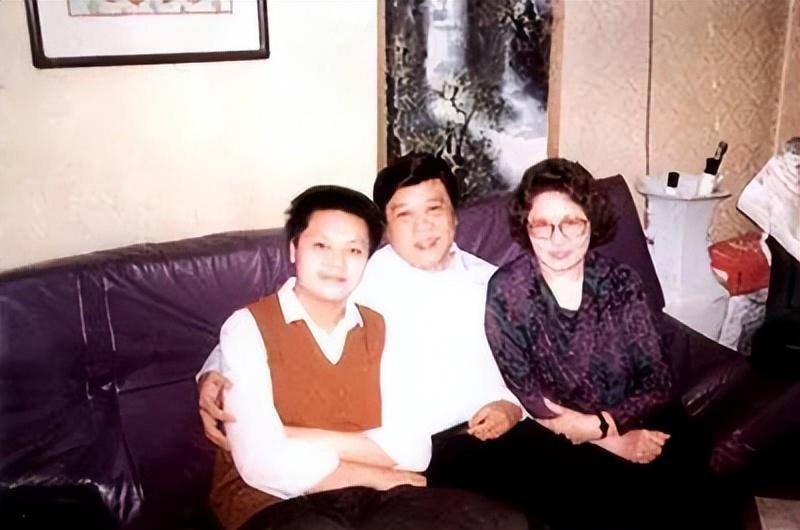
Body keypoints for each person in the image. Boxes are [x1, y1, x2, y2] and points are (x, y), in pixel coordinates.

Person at [209, 185, 523, 530]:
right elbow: (260, 461)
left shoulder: (379, 326)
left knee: (502, 523)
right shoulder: (247, 327)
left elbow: (413, 448)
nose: (337, 262)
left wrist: (288, 435)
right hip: (270, 498)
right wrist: (379, 476)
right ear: (293, 248)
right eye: (321, 246)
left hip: (371, 496)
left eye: (354, 250)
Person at [483, 158, 731, 530]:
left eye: (571, 222)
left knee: (695, 477)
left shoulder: (621, 281)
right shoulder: (507, 291)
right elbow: (527, 392)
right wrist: (608, 440)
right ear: (526, 227)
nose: (557, 239)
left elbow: (658, 376)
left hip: (634, 415)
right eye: (542, 225)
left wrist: (607, 423)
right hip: (555, 431)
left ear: (591, 222)